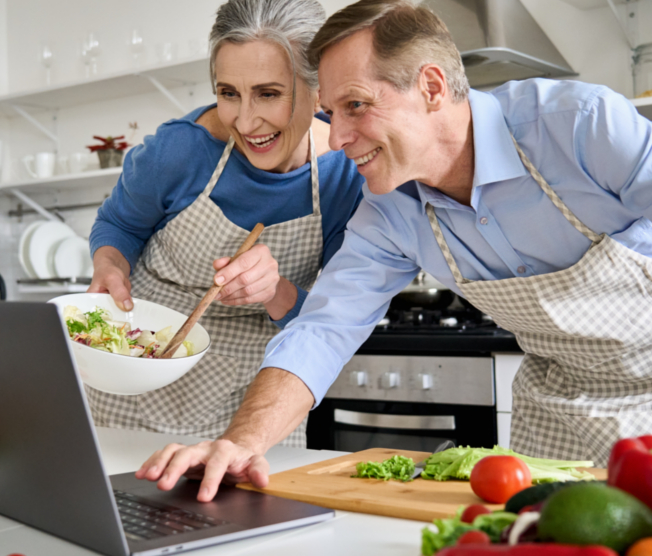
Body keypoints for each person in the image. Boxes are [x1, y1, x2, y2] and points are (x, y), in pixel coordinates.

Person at [135, 0, 652, 499]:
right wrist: (240, 443)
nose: (335, 138)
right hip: (555, 411)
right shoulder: (388, 211)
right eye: (330, 113)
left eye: (355, 105)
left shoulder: (578, 125)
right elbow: (322, 330)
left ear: (431, 86)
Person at [87, 0, 363, 446]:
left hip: (255, 402)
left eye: (269, 93)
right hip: (136, 381)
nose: (246, 120)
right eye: (229, 92)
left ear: (319, 91)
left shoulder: (343, 177)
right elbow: (119, 225)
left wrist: (276, 291)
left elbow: (331, 322)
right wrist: (110, 266)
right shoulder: (180, 150)